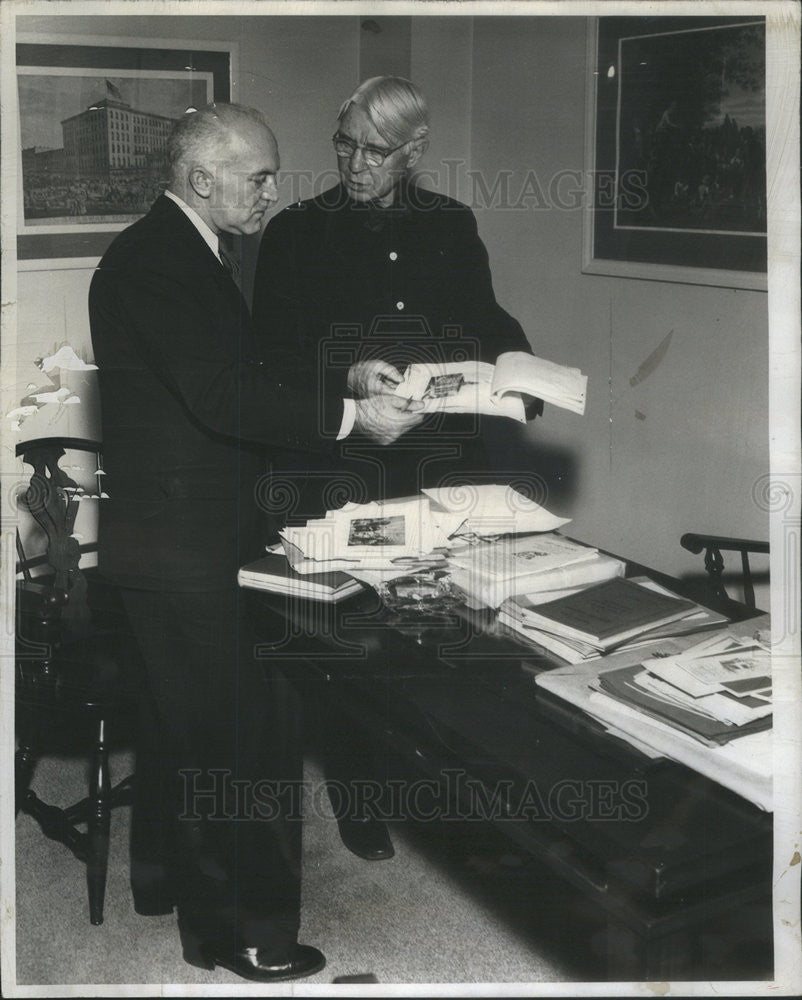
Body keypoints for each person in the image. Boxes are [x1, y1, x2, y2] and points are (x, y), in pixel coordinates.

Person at [89, 101, 424, 983]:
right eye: (260, 177)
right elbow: (225, 398)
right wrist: (355, 417)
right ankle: (245, 935)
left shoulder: (179, 248)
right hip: (189, 549)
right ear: (202, 179)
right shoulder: (161, 262)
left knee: (178, 732)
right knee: (248, 739)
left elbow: (248, 370)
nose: (275, 192)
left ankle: (165, 888)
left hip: (169, 540)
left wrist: (344, 374)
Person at [252, 77, 541, 864]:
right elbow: (273, 354)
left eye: (375, 151)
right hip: (346, 456)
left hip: (440, 452)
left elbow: (483, 318)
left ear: (412, 151)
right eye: (345, 143)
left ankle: (440, 789)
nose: (354, 163)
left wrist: (520, 365)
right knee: (358, 634)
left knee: (445, 621)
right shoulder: (295, 232)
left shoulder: (451, 224)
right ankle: (361, 793)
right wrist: (351, 370)